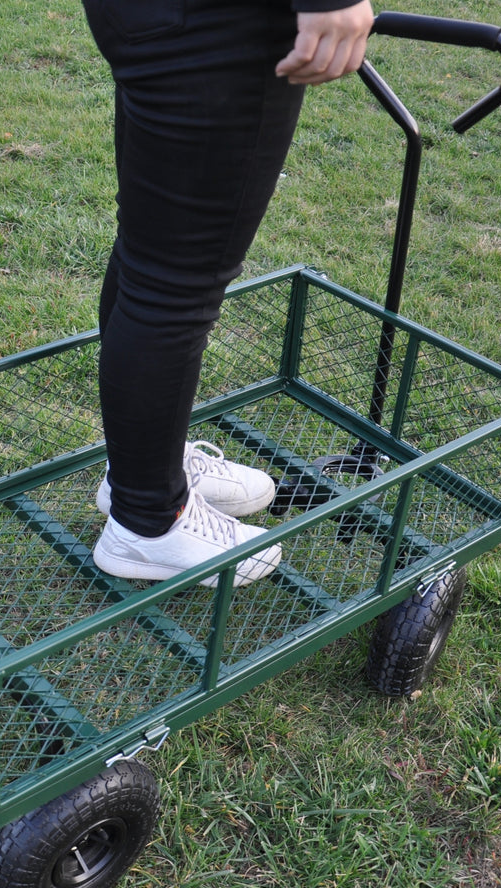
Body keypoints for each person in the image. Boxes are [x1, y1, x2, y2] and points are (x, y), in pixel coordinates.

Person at [82, 0, 375, 587]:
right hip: (220, 19)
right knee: (176, 279)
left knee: (151, 253)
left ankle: (141, 473)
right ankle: (147, 524)